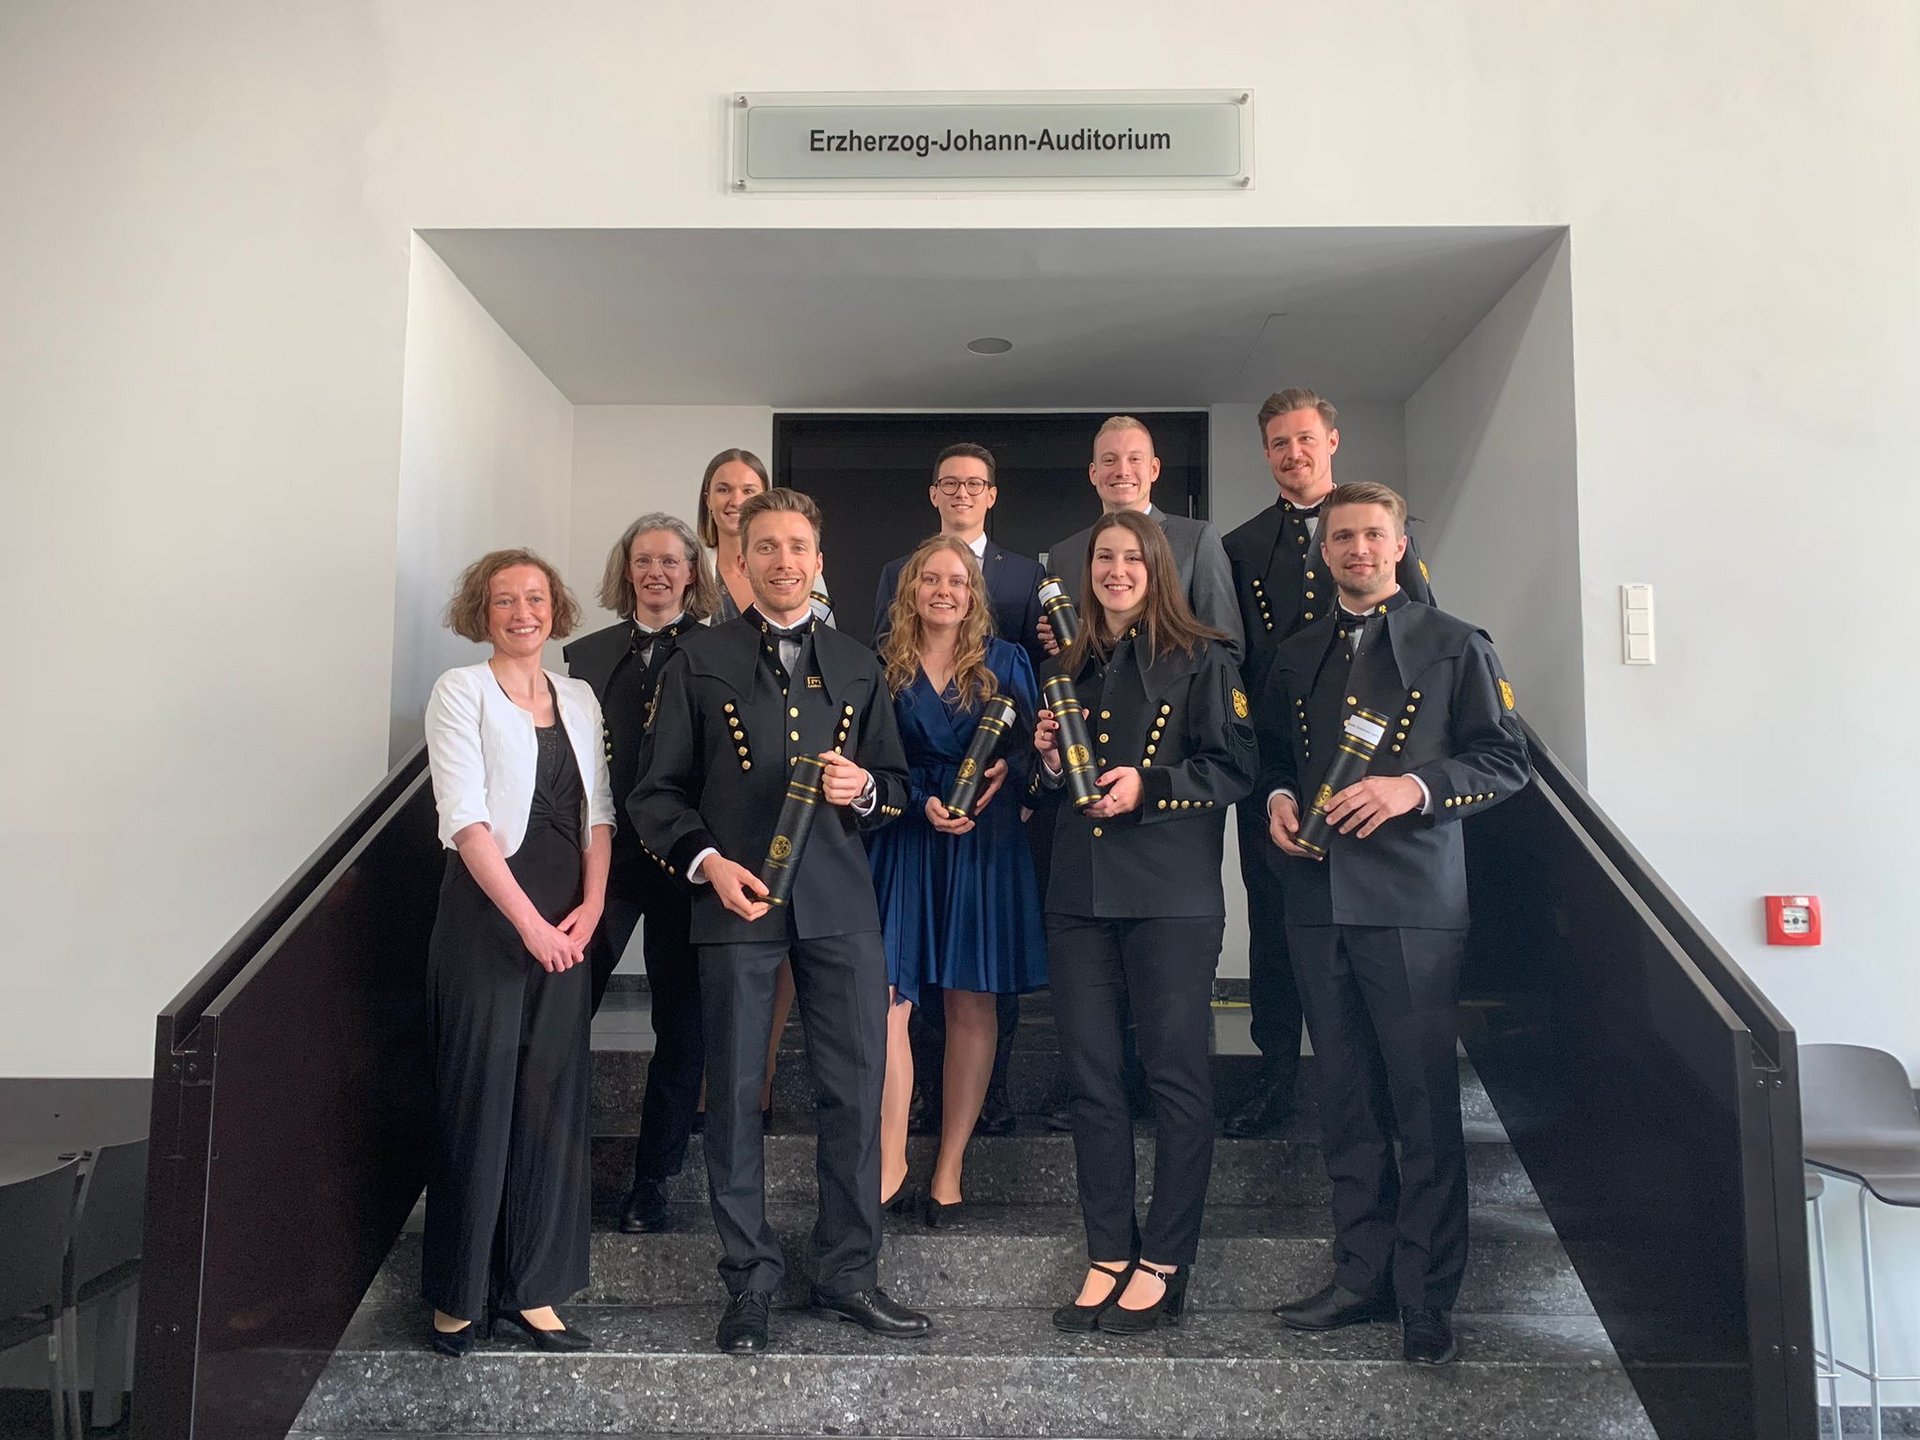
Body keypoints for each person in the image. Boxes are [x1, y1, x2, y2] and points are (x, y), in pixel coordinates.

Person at [629, 487, 930, 1356]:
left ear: (818, 560)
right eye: (766, 546)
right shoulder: (699, 658)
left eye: (798, 546)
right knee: (732, 1094)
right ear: (741, 560)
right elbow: (654, 794)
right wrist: (706, 863)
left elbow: (897, 788)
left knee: (855, 1088)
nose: (783, 561)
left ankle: (849, 1273)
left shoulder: (859, 662)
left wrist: (865, 790)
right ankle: (749, 1282)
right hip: (734, 901)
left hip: (841, 906)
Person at [1258, 482, 1528, 1367]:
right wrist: (1279, 799)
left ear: (1400, 544)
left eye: (1374, 535)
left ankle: (1426, 1297)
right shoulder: (1296, 652)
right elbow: (1273, 757)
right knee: (1345, 1105)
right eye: (1342, 537)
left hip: (1413, 907)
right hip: (1317, 902)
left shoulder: (1456, 644)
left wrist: (1412, 788)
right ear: (1324, 550)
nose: (1358, 550)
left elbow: (1505, 760)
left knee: (1422, 1106)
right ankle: (1360, 1278)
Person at [1033, 510, 1256, 1336]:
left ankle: (1165, 1258)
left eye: (1132, 557)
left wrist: (1150, 785)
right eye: (1104, 557)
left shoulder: (1205, 657)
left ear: (1159, 567)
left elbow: (1236, 766)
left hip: (1170, 895)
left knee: (1174, 1077)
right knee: (1093, 1080)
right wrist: (1047, 761)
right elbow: (1054, 787)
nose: (1116, 570)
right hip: (1078, 893)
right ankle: (1107, 1251)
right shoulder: (1067, 664)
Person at [1220, 389, 1435, 1138]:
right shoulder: (1240, 546)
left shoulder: (1379, 531)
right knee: (1276, 925)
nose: (1293, 454)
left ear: (1332, 442)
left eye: (1305, 439)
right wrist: (1261, 776)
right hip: (1280, 763)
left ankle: (1378, 1085)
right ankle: (1276, 1076)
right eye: (1279, 443)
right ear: (1266, 453)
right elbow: (1235, 660)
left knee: (1374, 937)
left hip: (1378, 768)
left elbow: (1420, 637)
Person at [420, 548, 612, 1358]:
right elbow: (465, 821)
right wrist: (531, 926)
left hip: (570, 927)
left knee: (549, 1104)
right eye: (505, 600)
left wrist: (591, 909)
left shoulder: (579, 696)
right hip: (489, 925)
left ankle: (532, 1291)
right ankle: (459, 1296)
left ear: (554, 609)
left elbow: (599, 815)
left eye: (535, 598)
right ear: (482, 612)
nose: (522, 612)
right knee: (477, 1102)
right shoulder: (459, 690)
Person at [868, 535, 1046, 1224]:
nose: (944, 591)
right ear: (909, 590)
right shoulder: (879, 663)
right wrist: (919, 801)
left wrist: (1010, 769)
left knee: (972, 1002)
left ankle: (949, 1169)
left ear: (974, 596)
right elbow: (868, 759)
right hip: (905, 838)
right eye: (930, 579)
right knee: (888, 1000)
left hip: (982, 841)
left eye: (958, 581)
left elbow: (1037, 753)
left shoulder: (1008, 661)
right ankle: (889, 1162)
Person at [563, 513, 718, 1234]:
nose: (656, 572)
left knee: (680, 1026)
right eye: (643, 561)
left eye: (670, 561)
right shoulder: (586, 656)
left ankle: (653, 1180)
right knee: (566, 1006)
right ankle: (553, 1165)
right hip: (609, 859)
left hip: (688, 860)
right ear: (626, 571)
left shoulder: (719, 652)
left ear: (692, 572)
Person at [694, 449, 831, 1119]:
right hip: (719, 813)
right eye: (723, 488)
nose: (736, 498)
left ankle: (764, 1066)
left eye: (748, 487)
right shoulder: (690, 577)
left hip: (799, 824)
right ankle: (724, 1078)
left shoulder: (807, 593)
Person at [1039, 415, 1243, 662]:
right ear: (1093, 473)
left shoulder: (1197, 540)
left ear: (1154, 469)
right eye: (1109, 460)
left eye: (1134, 459)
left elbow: (1226, 647)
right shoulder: (1064, 555)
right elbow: (1064, 657)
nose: (1122, 471)